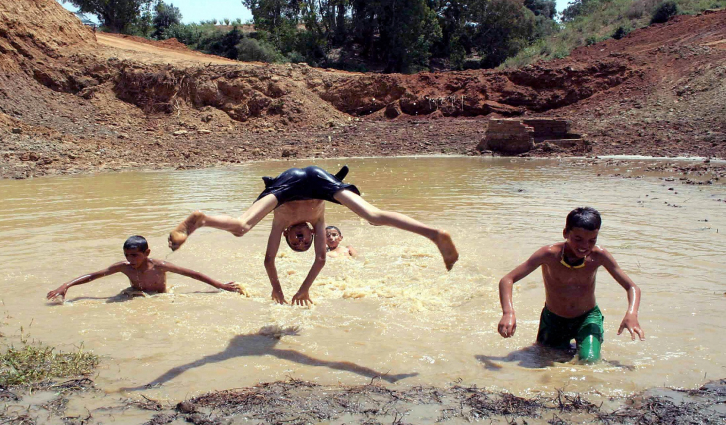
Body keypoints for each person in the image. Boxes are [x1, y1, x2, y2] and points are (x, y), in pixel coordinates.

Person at [167, 165, 458, 306]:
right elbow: (320, 259)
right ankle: (434, 234)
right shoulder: (318, 220)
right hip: (315, 181)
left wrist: (277, 288)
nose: (301, 239)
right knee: (372, 217)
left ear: (287, 237)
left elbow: (269, 260)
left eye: (298, 241)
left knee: (243, 227)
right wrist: (305, 288)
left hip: (289, 184)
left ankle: (202, 219)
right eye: (302, 241)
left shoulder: (279, 223)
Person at [496, 207, 644, 363]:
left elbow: (632, 287)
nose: (585, 245)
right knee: (543, 360)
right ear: (565, 233)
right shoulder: (549, 254)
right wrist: (508, 313)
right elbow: (507, 280)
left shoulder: (599, 256)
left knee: (589, 360)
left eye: (592, 240)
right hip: (554, 320)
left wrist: (632, 314)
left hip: (587, 318)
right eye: (578, 239)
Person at [46, 235, 242, 301]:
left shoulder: (160, 266)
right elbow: (93, 275)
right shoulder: (123, 267)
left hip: (161, 297)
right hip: (134, 294)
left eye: (135, 255)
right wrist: (66, 286)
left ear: (146, 253)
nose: (130, 260)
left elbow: (193, 274)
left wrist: (220, 286)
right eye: (127, 255)